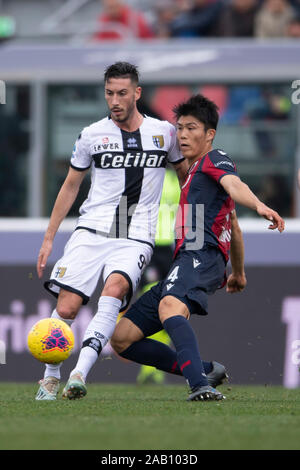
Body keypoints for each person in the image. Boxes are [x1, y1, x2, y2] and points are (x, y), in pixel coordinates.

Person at [110, 94, 285, 402]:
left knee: (169, 308)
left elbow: (235, 184)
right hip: (190, 258)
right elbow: (234, 226)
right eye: (180, 128)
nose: (183, 135)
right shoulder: (191, 175)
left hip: (200, 255)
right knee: (122, 338)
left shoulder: (214, 159)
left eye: (192, 128)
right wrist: (239, 273)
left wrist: (258, 204)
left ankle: (200, 386)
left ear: (210, 134)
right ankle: (205, 370)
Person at [35, 62, 187, 401]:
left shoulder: (163, 133)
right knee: (69, 307)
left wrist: (195, 228)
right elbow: (71, 186)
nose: (115, 100)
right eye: (109, 93)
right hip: (93, 227)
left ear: (137, 93)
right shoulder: (91, 134)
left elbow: (187, 177)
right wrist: (48, 238)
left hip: (136, 231)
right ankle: (50, 376)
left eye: (121, 93)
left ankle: (79, 374)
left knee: (114, 291)